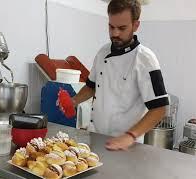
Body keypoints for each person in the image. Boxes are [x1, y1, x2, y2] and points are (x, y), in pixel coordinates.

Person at [70, 0, 169, 151]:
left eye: (122, 28)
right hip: (96, 136)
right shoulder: (102, 52)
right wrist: (73, 101)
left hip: (127, 144)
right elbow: (91, 86)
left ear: (136, 25)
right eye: (111, 27)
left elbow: (160, 108)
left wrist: (130, 136)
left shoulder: (145, 59)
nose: (115, 33)